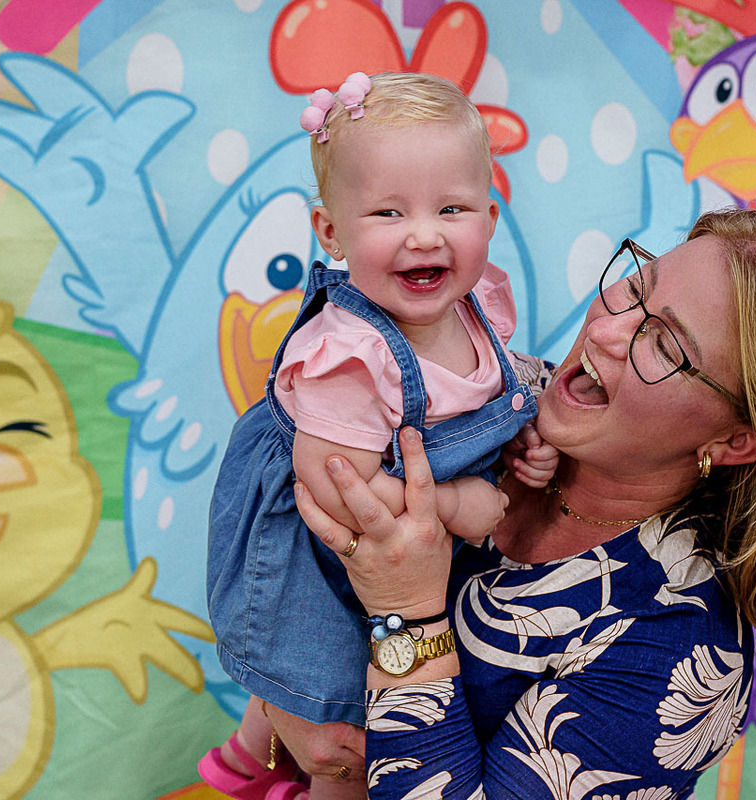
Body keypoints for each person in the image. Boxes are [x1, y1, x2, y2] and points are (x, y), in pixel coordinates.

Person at [294, 209, 756, 798]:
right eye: (636, 287)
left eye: (665, 345)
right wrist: (283, 714)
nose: (607, 331)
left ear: (735, 441)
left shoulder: (678, 652)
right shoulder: (491, 395)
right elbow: (274, 486)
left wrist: (407, 614)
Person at [201, 72, 559, 800]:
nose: (424, 233)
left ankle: (244, 760)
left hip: (408, 542)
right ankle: (264, 767)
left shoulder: (475, 304)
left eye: (451, 208)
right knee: (348, 725)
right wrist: (460, 503)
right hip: (324, 549)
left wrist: (523, 433)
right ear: (331, 232)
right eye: (388, 212)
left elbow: (490, 391)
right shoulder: (349, 359)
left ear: (489, 218)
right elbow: (337, 496)